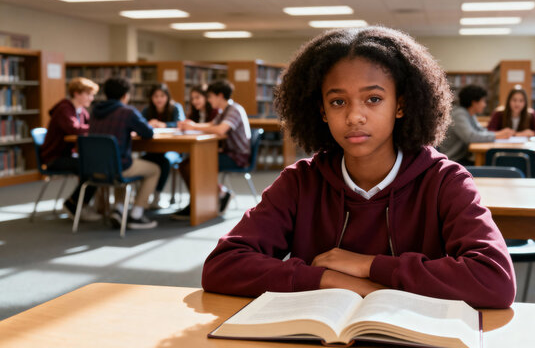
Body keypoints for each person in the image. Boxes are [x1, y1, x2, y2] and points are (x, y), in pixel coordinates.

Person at [200, 27, 516, 308]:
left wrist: (367, 266)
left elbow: (494, 280)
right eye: (338, 102)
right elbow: (223, 265)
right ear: (321, 110)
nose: (354, 117)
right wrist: (331, 280)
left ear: (401, 105)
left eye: (373, 99)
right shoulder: (300, 182)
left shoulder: (445, 181)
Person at [172, 80, 251, 219]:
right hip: (227, 153)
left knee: (193, 165)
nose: (208, 100)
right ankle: (203, 199)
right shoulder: (224, 111)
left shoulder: (234, 110)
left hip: (237, 157)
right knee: (185, 164)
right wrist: (193, 125)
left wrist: (194, 127)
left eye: (210, 96)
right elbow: (211, 124)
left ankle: (213, 197)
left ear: (219, 96)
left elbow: (221, 130)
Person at [89, 77, 160, 229]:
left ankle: (119, 209)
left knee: (120, 161)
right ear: (125, 95)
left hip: (94, 167)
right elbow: (148, 133)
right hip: (118, 166)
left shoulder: (94, 111)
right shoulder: (127, 112)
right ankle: (137, 214)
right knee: (154, 169)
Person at [41, 77, 101, 221]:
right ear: (76, 93)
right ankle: (73, 204)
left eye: (92, 95)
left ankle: (82, 204)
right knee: (93, 169)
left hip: (68, 155)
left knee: (96, 166)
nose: (91, 98)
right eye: (88, 94)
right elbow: (73, 129)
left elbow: (89, 125)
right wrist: (97, 127)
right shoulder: (64, 109)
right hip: (54, 157)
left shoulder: (81, 111)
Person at [440, 85, 513, 165]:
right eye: (483, 101)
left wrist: (498, 134)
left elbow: (481, 131)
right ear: (474, 102)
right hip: (453, 160)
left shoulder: (470, 114)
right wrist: (497, 135)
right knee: (491, 163)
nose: (485, 105)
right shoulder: (459, 114)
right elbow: (471, 137)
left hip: (462, 158)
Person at [140, 83, 185, 208]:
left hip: (173, 149)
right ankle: (143, 197)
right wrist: (149, 124)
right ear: (151, 98)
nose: (159, 99)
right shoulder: (147, 110)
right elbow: (140, 124)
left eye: (162, 96)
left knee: (164, 161)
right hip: (153, 149)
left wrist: (164, 125)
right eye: (155, 96)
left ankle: (157, 195)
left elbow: (180, 124)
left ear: (167, 97)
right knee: (147, 160)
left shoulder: (175, 107)